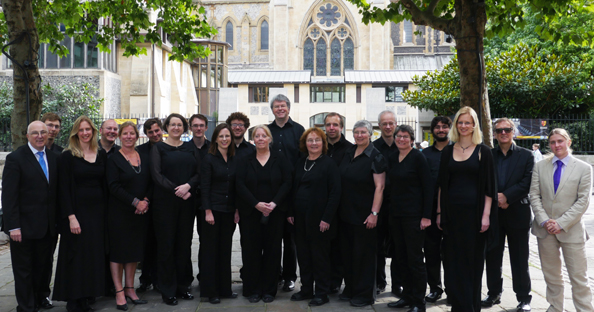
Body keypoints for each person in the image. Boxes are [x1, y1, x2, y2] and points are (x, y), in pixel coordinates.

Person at [436, 106, 497, 312]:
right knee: (453, 262)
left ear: (474, 126)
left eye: (467, 123)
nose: (463, 126)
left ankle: (471, 306)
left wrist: (486, 216)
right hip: (451, 216)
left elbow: (490, 188)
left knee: (473, 262)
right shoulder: (447, 152)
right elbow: (442, 186)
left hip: (475, 216)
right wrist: (438, 213)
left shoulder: (484, 152)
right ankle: (458, 305)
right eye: (460, 122)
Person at [529, 128, 594, 312]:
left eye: (560, 141)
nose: (556, 145)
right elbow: (534, 195)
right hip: (545, 230)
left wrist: (560, 223)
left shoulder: (584, 168)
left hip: (571, 231)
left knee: (578, 277)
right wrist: (544, 221)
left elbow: (583, 201)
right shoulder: (540, 166)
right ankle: (555, 308)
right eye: (552, 142)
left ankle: (584, 309)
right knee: (552, 276)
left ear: (568, 142)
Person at [52, 116, 108, 312]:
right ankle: (74, 299)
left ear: (93, 131)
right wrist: (71, 216)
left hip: (97, 213)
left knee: (92, 256)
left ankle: (87, 296)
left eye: (88, 129)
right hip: (76, 213)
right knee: (75, 256)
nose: (85, 133)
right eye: (81, 130)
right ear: (75, 133)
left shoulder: (100, 154)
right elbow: (63, 190)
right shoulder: (67, 156)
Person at [2, 121, 58, 312]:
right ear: (27, 136)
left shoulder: (54, 157)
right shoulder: (15, 159)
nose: (40, 136)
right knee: (24, 269)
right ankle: (26, 306)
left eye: (43, 132)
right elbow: (9, 196)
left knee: (44, 267)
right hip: (23, 227)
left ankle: (42, 297)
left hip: (48, 226)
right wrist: (13, 226)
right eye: (35, 133)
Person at [236, 125, 292, 303]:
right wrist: (256, 204)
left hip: (275, 213)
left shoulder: (280, 158)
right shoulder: (245, 159)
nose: (260, 138)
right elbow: (239, 184)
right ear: (253, 140)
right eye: (256, 136)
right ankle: (252, 289)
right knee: (251, 251)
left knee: (272, 251)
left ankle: (269, 289)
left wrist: (274, 203)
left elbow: (287, 182)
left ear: (269, 139)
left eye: (263, 136)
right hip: (251, 212)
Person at [483, 118, 534, 312]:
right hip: (494, 214)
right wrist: (497, 198)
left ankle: (524, 298)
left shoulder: (527, 155)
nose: (503, 133)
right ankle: (493, 293)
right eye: (499, 130)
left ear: (514, 132)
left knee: (520, 258)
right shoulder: (488, 155)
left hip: (517, 212)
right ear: (494, 134)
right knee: (493, 256)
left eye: (507, 129)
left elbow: (528, 180)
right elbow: (485, 180)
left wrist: (507, 197)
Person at [288, 127, 341, 307]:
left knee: (319, 257)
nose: (313, 143)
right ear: (305, 143)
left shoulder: (329, 164)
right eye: (310, 140)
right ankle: (306, 289)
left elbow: (335, 193)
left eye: (317, 140)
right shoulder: (301, 162)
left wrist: (326, 218)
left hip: (320, 220)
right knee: (303, 256)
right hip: (300, 218)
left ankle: (321, 292)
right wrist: (290, 212)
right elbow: (292, 189)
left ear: (323, 143)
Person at [150, 113, 199, 306]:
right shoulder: (159, 148)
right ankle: (168, 289)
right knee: (166, 247)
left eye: (180, 125)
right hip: (165, 205)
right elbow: (156, 174)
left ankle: (183, 286)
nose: (176, 128)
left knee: (183, 245)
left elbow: (199, 172)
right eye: (173, 124)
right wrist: (177, 190)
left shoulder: (190, 147)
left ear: (184, 128)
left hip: (187, 203)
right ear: (166, 127)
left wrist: (188, 186)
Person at [339, 120, 387, 307]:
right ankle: (350, 288)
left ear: (370, 134)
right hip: (346, 213)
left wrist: (374, 213)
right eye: (356, 132)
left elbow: (380, 187)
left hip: (365, 215)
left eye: (363, 132)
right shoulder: (349, 153)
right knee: (348, 254)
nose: (359, 135)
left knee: (364, 256)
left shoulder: (376, 156)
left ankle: (365, 294)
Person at [386, 125, 432, 312]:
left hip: (414, 217)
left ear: (412, 139)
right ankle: (406, 296)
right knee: (400, 258)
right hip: (396, 216)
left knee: (415, 259)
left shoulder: (418, 158)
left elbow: (428, 188)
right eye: (399, 136)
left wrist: (426, 216)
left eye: (405, 136)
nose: (401, 139)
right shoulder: (392, 158)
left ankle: (418, 302)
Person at [106, 122, 152, 311]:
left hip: (140, 213)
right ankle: (118, 291)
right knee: (118, 253)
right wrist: (135, 202)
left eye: (132, 133)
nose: (128, 137)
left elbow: (151, 181)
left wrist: (146, 201)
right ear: (119, 136)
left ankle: (130, 289)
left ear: (137, 136)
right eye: (125, 133)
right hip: (120, 212)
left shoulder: (144, 157)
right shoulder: (113, 159)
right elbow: (113, 186)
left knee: (133, 252)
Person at [268, 94, 305, 292]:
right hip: (272, 193)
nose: (280, 109)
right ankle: (276, 274)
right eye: (276, 106)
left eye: (283, 106)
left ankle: (291, 276)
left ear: (288, 108)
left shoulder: (299, 130)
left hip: (293, 192)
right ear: (272, 109)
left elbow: (303, 158)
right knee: (273, 238)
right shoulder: (267, 131)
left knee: (290, 240)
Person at [199, 123, 239, 304]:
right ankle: (211, 291)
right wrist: (207, 211)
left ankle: (225, 289)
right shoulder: (209, 158)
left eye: (227, 136)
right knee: (210, 252)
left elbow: (235, 186)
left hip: (229, 211)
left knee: (225, 251)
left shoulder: (233, 158)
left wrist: (237, 209)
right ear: (215, 138)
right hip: (212, 212)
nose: (224, 139)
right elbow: (204, 187)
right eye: (221, 136)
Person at [421, 116, 452, 303]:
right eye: (437, 127)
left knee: (450, 252)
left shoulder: (457, 151)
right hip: (429, 210)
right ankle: (434, 288)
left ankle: (452, 289)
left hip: (452, 209)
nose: (441, 130)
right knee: (431, 251)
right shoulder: (424, 154)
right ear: (432, 131)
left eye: (444, 127)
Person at [372, 110, 402, 296]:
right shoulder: (373, 147)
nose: (388, 126)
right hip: (378, 205)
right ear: (379, 126)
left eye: (391, 123)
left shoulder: (403, 146)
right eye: (384, 123)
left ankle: (398, 284)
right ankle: (379, 282)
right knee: (377, 246)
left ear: (396, 124)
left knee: (398, 246)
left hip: (399, 205)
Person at [324, 112, 352, 293]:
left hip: (343, 205)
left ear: (341, 127)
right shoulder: (318, 146)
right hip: (322, 205)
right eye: (328, 125)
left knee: (341, 247)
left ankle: (338, 280)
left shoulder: (350, 148)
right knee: (325, 246)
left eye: (335, 125)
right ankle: (327, 281)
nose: (331, 128)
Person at [136, 118, 163, 293]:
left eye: (157, 130)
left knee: (162, 243)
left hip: (162, 201)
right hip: (144, 202)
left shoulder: (169, 148)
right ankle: (145, 278)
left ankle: (160, 279)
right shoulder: (140, 151)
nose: (154, 134)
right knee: (146, 243)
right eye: (150, 132)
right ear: (146, 134)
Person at [39, 112, 63, 309]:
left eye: (56, 126)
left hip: (53, 217)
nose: (52, 129)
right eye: (49, 125)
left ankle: (44, 294)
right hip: (33, 216)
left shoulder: (61, 154)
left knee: (47, 258)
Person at [189, 113, 210, 283]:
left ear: (206, 127)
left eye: (201, 125)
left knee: (206, 240)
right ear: (190, 128)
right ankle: (186, 277)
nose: (198, 128)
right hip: (188, 198)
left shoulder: (213, 148)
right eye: (195, 125)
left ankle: (205, 275)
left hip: (207, 200)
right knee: (185, 239)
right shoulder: (184, 148)